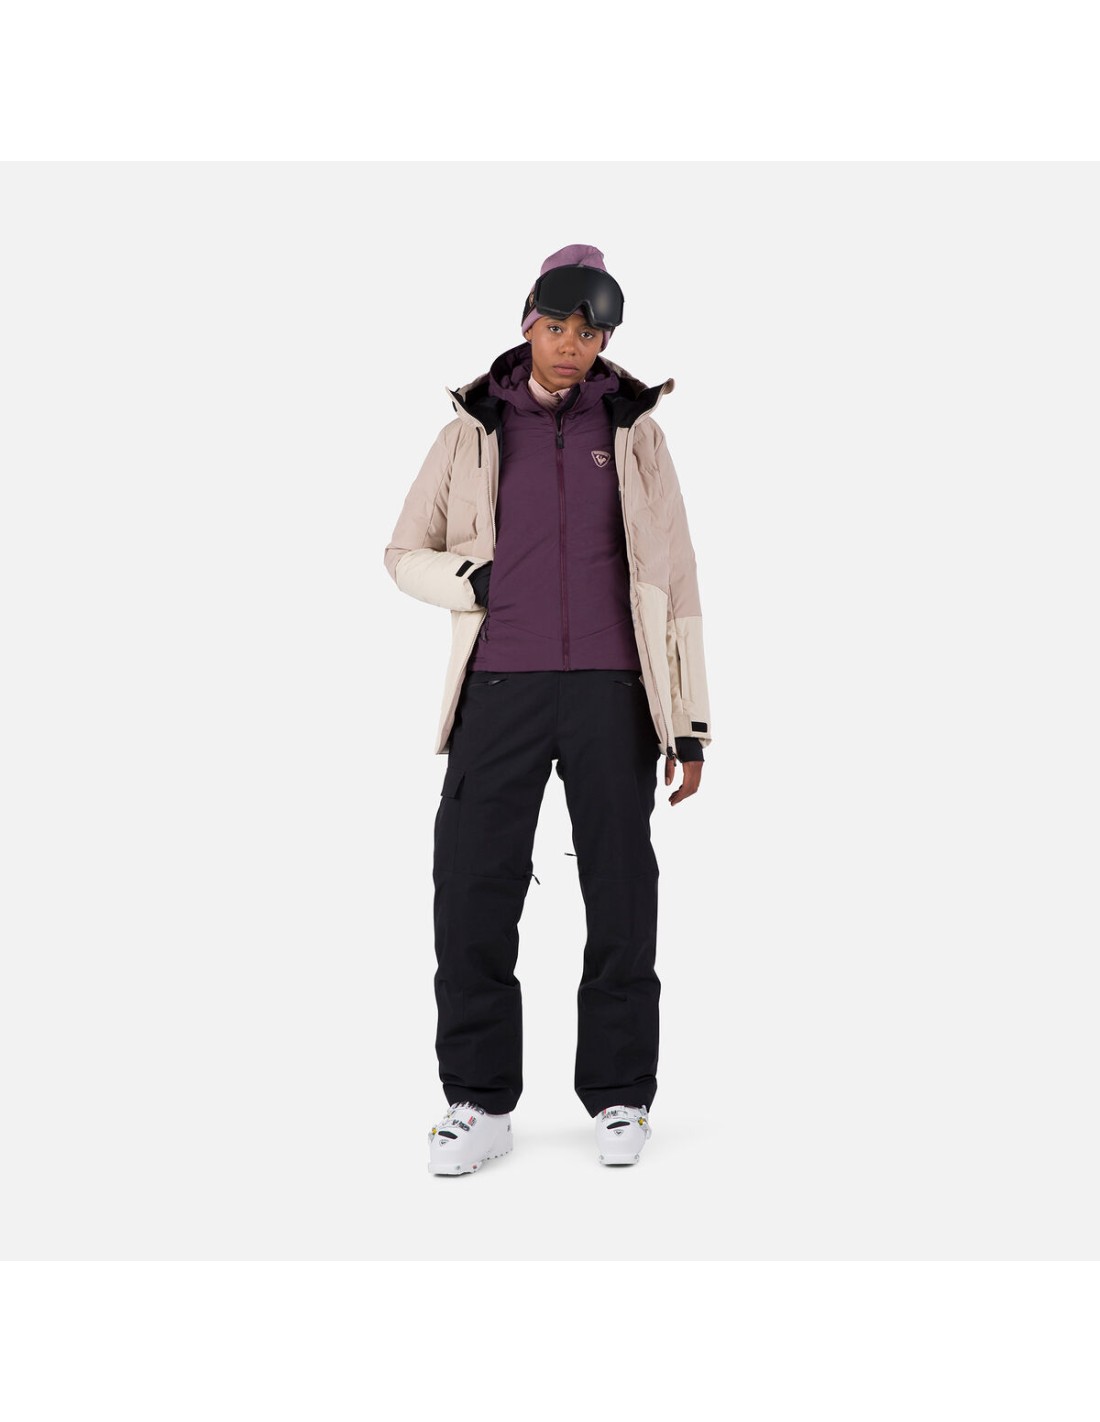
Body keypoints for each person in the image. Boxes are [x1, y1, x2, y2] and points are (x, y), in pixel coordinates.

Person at [383, 244, 713, 1174]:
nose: (572, 346)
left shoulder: (637, 435)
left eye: (590, 333)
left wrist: (689, 724)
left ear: (606, 340)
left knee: (621, 892)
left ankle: (620, 1095)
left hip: (615, 691)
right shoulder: (471, 432)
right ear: (528, 322)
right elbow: (403, 552)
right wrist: (474, 580)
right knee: (473, 890)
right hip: (500, 688)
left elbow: (678, 582)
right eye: (558, 326)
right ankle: (478, 1102)